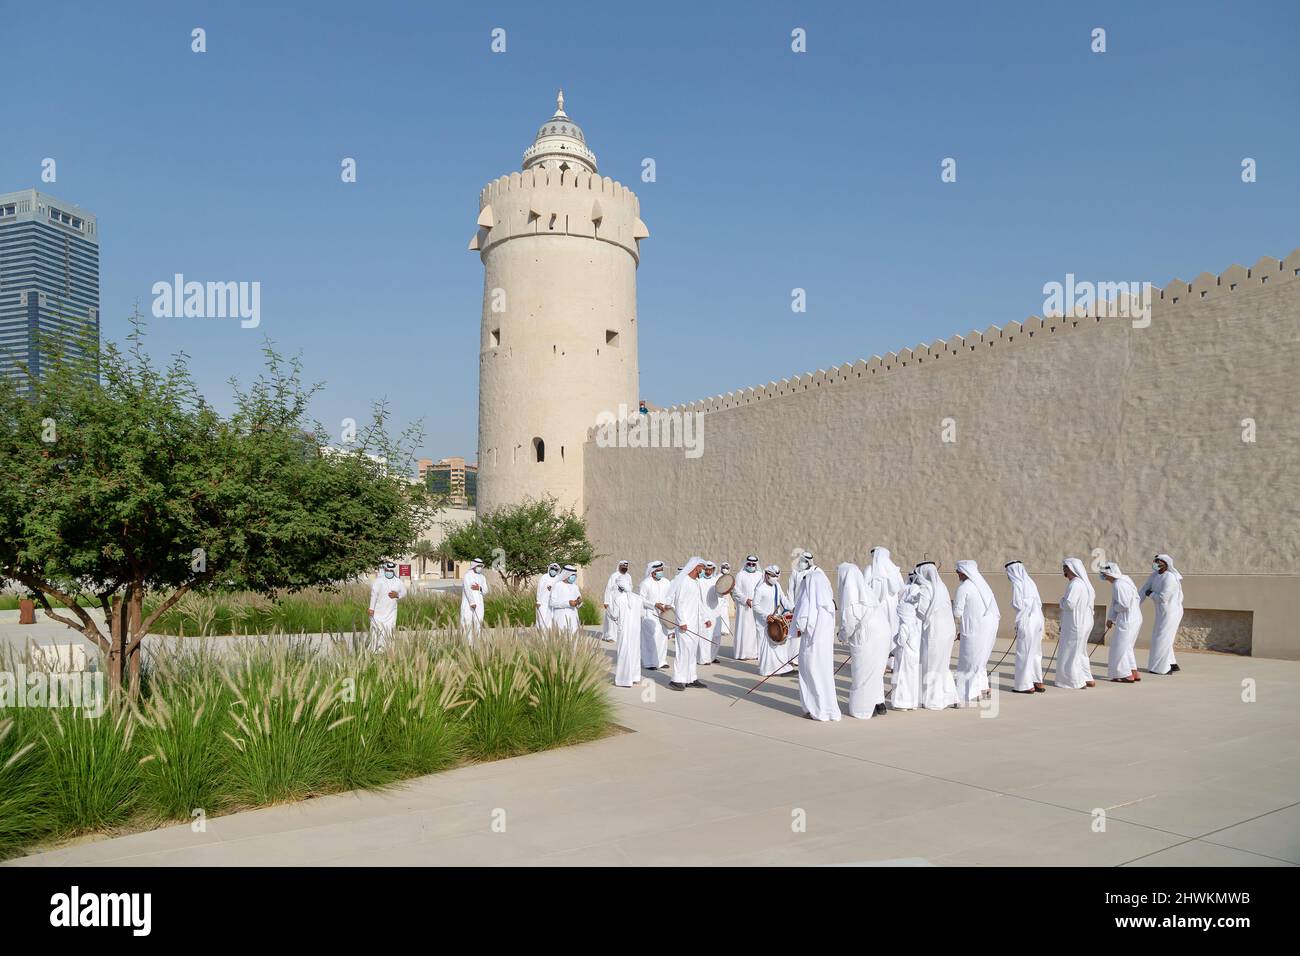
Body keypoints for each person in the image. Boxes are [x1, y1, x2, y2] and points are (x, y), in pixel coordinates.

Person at [837, 562, 891, 718]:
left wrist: (842, 636)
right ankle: (878, 703)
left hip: (867, 635)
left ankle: (862, 708)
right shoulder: (866, 591)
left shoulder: (851, 595)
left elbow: (850, 622)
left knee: (863, 671)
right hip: (882, 632)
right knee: (876, 670)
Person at [792, 557, 841, 721]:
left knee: (809, 676)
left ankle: (814, 709)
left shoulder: (809, 600)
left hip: (810, 647)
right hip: (825, 650)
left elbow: (802, 622)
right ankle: (827, 709)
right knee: (824, 678)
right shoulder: (828, 605)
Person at [953, 559, 1000, 704]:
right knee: (980, 660)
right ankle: (982, 688)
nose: (957, 575)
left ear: (963, 572)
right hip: (989, 628)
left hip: (974, 629)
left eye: (958, 572)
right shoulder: (983, 585)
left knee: (968, 661)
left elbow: (957, 612)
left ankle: (965, 694)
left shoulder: (964, 588)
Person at [915, 562, 959, 709]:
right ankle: (951, 696)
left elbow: (922, 611)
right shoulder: (942, 586)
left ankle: (933, 700)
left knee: (931, 664)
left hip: (935, 632)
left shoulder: (925, 588)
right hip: (948, 630)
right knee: (943, 664)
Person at [667, 557, 710, 690]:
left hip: (696, 624)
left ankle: (691, 678)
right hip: (685, 624)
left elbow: (699, 604)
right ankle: (677, 679)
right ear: (696, 567)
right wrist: (682, 621)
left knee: (692, 652)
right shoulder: (684, 581)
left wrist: (705, 618)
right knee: (683, 651)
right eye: (702, 567)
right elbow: (679, 603)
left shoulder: (696, 582)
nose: (703, 570)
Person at [1004, 561, 1045, 693]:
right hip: (1038, 620)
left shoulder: (1017, 584)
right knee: (1035, 652)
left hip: (1027, 621)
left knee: (1024, 653)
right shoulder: (1030, 582)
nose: (1008, 576)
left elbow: (1018, 604)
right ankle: (1038, 681)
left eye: (1008, 573)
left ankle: (1025, 685)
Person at [1139, 553, 1183, 675]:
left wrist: (1150, 594)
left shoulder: (1170, 577)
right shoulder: (1154, 576)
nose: (1156, 564)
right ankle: (1172, 663)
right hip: (1161, 611)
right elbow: (1143, 590)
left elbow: (1163, 598)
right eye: (1155, 561)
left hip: (1171, 612)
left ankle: (1162, 668)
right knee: (1162, 636)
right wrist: (1134, 605)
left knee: (1162, 638)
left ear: (1166, 564)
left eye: (1159, 562)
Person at [1056, 558, 1096, 689]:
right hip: (1080, 623)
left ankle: (1074, 681)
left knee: (1070, 653)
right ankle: (1087, 678)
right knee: (1080, 652)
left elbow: (1069, 604)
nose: (1064, 570)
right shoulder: (1083, 584)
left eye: (1066, 568)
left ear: (1072, 569)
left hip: (1074, 624)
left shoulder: (1075, 584)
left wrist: (1061, 601)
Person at [863, 547, 905, 670]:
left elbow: (864, 589)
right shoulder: (895, 571)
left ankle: (879, 662)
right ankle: (891, 663)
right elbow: (902, 590)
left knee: (878, 632)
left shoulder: (870, 570)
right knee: (892, 631)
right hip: (893, 607)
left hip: (877, 607)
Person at [1100, 562, 1142, 682]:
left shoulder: (1118, 585)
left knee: (1119, 647)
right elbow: (1116, 603)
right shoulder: (1126, 580)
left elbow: (1123, 605)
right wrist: (1111, 618)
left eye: (1105, 575)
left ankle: (1124, 674)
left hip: (1127, 619)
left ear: (1110, 573)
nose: (1105, 578)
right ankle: (1134, 672)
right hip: (1135, 618)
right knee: (1127, 646)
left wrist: (1114, 615)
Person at [752, 564, 795, 677]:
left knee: (780, 644)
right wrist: (766, 616)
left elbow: (783, 600)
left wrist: (793, 608)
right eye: (772, 575)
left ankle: (781, 668)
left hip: (776, 620)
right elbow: (755, 605)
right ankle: (768, 670)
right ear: (766, 575)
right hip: (764, 622)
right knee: (767, 648)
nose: (774, 578)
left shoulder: (777, 586)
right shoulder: (760, 589)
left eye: (776, 576)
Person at [891, 570, 923, 709]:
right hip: (914, 657)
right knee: (912, 679)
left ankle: (901, 703)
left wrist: (895, 639)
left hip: (904, 658)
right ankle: (912, 703)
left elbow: (901, 641)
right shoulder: (915, 625)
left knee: (902, 679)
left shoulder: (905, 625)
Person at [607, 578, 644, 687]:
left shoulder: (618, 599)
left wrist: (608, 609)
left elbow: (614, 615)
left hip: (624, 630)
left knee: (624, 652)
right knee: (635, 652)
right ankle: (635, 677)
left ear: (619, 588)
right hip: (636, 630)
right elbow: (642, 614)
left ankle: (624, 679)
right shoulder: (638, 598)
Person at [638, 560, 672, 670]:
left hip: (664, 614)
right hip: (650, 614)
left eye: (661, 570)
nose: (660, 572)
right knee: (650, 639)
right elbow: (641, 599)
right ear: (652, 572)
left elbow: (670, 596)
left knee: (662, 637)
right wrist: (654, 604)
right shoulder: (645, 583)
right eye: (657, 570)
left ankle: (661, 661)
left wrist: (668, 605)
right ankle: (650, 662)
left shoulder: (666, 582)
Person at [367, 561, 407, 650]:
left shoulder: (398, 581)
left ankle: (388, 650)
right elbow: (374, 595)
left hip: (391, 612)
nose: (389, 572)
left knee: (389, 629)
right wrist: (371, 608)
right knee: (377, 630)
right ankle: (375, 650)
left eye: (391, 570)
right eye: (387, 570)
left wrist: (397, 595)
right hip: (378, 612)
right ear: (385, 570)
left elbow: (404, 592)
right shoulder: (379, 581)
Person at [730, 555, 763, 661]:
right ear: (746, 563)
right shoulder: (740, 575)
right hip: (744, 608)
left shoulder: (760, 575)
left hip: (756, 607)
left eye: (754, 564)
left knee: (755, 630)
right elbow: (736, 591)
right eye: (749, 564)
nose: (751, 566)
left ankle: (754, 653)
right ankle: (742, 654)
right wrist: (746, 600)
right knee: (744, 630)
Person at [697, 561, 724, 664]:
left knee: (716, 636)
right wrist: (703, 615)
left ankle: (712, 657)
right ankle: (704, 659)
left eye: (710, 569)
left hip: (716, 613)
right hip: (704, 612)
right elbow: (698, 599)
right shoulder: (699, 581)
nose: (708, 571)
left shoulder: (716, 581)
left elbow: (721, 595)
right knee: (705, 636)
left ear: (713, 570)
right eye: (706, 569)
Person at [602, 560, 632, 644]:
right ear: (619, 566)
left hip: (624, 600)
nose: (625, 568)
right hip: (613, 600)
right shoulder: (614, 576)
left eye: (626, 566)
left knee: (622, 617)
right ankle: (610, 636)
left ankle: (619, 635)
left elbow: (630, 588)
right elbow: (608, 588)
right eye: (623, 566)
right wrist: (606, 601)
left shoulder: (628, 576)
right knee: (611, 618)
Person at [548, 565, 583, 635]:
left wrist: (579, 602)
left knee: (573, 637)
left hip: (573, 616)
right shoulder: (558, 585)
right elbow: (552, 603)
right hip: (561, 616)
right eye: (572, 575)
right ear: (567, 574)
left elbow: (579, 600)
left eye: (575, 575)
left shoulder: (575, 586)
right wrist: (568, 603)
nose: (574, 577)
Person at [459, 558, 489, 638]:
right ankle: (467, 643)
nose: (480, 568)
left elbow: (486, 590)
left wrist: (479, 588)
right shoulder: (467, 576)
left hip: (479, 603)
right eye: (479, 566)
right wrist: (472, 602)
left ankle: (477, 642)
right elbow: (467, 589)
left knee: (478, 622)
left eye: (481, 566)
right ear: (474, 566)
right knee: (467, 622)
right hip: (468, 603)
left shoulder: (482, 577)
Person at [535, 563, 560, 630]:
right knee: (542, 618)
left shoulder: (558, 579)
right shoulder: (544, 577)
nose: (553, 570)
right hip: (543, 603)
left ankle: (550, 635)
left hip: (553, 603)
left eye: (555, 569)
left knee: (551, 620)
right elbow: (539, 589)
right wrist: (538, 601)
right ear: (549, 569)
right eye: (552, 569)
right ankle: (542, 635)